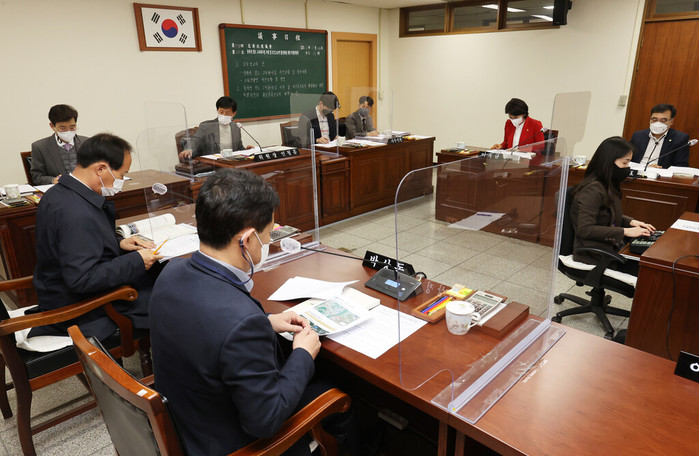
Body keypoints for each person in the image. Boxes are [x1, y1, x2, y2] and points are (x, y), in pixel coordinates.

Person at [149, 169, 358, 455]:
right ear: (246, 240)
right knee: (339, 394)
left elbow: (204, 327)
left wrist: (266, 322)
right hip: (233, 443)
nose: (269, 241)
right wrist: (302, 354)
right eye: (268, 234)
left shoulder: (171, 272)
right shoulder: (240, 323)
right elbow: (265, 420)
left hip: (188, 421)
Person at [31, 133, 162, 339]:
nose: (122, 181)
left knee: (162, 278)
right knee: (171, 296)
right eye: (122, 175)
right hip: (81, 308)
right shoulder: (75, 212)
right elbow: (82, 279)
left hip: (64, 291)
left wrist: (120, 243)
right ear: (101, 168)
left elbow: (77, 246)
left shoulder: (61, 193)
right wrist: (137, 260)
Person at [570, 136, 655, 276]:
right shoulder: (592, 190)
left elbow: (606, 214)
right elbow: (585, 230)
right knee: (652, 272)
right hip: (594, 253)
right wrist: (625, 231)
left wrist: (631, 222)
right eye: (625, 163)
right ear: (609, 162)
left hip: (608, 247)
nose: (628, 167)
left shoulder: (607, 184)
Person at [30, 104, 90, 185]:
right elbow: (37, 177)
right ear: (52, 126)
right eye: (63, 128)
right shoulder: (40, 147)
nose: (68, 131)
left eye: (72, 127)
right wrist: (53, 180)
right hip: (59, 188)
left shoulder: (87, 143)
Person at [179, 96, 249, 160]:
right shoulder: (206, 126)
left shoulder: (235, 127)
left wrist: (247, 151)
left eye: (227, 113)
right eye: (221, 112)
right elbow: (196, 139)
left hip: (231, 163)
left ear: (234, 113)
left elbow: (238, 147)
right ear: (217, 111)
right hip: (213, 163)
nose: (224, 115)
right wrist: (189, 149)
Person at [629, 103, 690, 169]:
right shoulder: (638, 135)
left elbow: (681, 166)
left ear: (671, 122)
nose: (658, 123)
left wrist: (662, 169)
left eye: (663, 120)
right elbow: (626, 157)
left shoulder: (680, 139)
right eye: (654, 119)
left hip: (660, 173)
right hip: (636, 170)